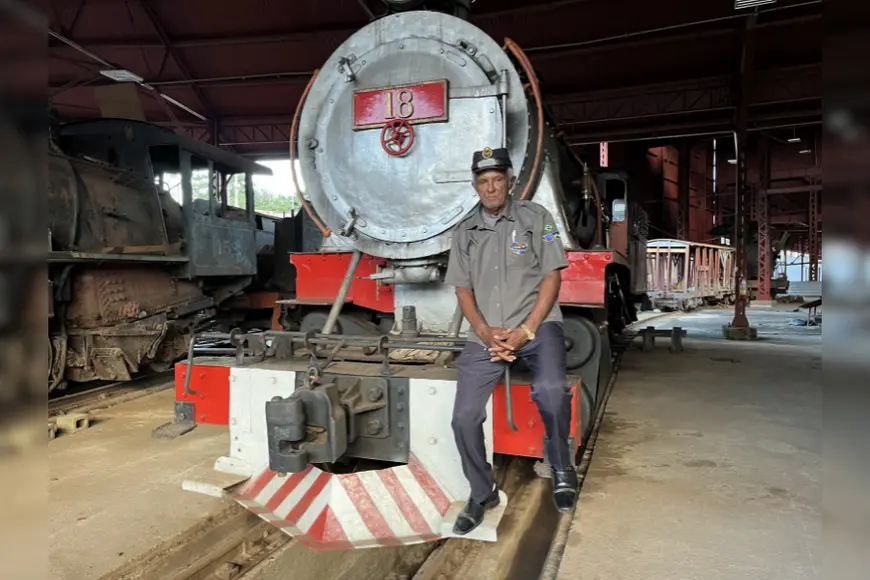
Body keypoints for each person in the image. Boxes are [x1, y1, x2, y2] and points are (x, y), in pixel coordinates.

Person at [444, 146, 578, 536]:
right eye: (483, 182)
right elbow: (463, 291)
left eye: (497, 180)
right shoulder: (464, 231)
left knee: (552, 391)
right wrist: (486, 333)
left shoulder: (539, 219)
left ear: (510, 182)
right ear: (475, 186)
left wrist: (527, 330)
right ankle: (481, 491)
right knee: (463, 417)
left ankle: (561, 466)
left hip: (537, 327)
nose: (491, 188)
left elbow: (553, 276)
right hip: (487, 333)